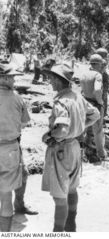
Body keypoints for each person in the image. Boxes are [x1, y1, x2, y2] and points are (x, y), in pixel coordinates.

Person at [41, 64, 100, 232]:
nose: (50, 80)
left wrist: (49, 136)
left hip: (61, 149)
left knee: (60, 197)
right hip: (74, 147)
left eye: (52, 77)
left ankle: (58, 232)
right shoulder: (77, 97)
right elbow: (95, 114)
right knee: (72, 189)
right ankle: (71, 226)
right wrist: (80, 127)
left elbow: (62, 130)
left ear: (59, 81)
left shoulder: (61, 102)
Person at [0, 63, 38, 232]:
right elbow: (25, 121)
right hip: (9, 148)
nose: (15, 79)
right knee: (6, 197)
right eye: (12, 77)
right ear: (5, 78)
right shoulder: (17, 98)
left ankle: (20, 205)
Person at [79, 54, 107, 163]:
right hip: (95, 103)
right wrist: (100, 101)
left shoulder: (83, 74)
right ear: (99, 64)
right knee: (98, 130)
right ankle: (101, 154)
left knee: (83, 127)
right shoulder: (97, 75)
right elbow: (97, 90)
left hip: (85, 103)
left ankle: (81, 152)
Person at [95, 48, 109, 118]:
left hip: (103, 89)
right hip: (101, 90)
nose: (107, 57)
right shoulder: (101, 64)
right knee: (101, 107)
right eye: (106, 56)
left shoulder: (100, 64)